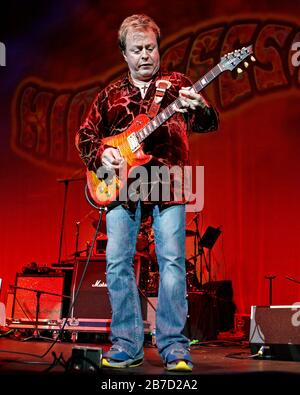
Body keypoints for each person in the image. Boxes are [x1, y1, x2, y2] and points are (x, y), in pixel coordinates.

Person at [76, 14, 218, 371]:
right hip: (123, 187)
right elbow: (84, 136)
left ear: (158, 48)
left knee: (172, 263)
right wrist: (101, 154)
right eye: (137, 49)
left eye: (150, 48)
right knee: (117, 263)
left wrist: (198, 106)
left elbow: (207, 123)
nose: (145, 55)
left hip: (168, 181)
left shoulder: (177, 84)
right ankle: (126, 344)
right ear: (124, 53)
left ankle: (174, 346)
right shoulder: (110, 94)